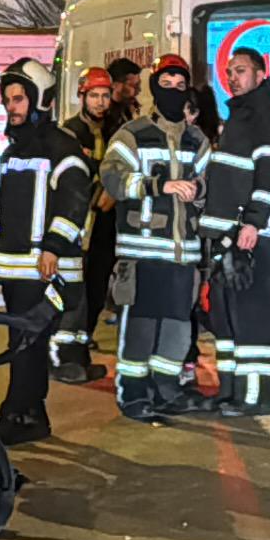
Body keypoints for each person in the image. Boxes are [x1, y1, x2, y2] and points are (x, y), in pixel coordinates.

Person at [0, 61, 88, 445]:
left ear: (40, 100)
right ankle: (23, 413)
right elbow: (7, 211)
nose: (12, 107)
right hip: (17, 270)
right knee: (21, 348)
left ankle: (23, 416)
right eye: (8, 100)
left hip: (43, 269)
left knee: (28, 348)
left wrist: (53, 248)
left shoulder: (62, 149)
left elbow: (74, 204)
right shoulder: (13, 152)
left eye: (19, 99)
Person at [101, 54, 217, 419]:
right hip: (142, 251)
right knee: (139, 326)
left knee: (177, 329)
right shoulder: (131, 134)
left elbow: (211, 185)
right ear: (154, 90)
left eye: (179, 86)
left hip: (183, 253)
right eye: (165, 86)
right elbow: (112, 178)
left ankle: (167, 391)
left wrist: (197, 189)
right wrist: (159, 185)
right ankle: (133, 395)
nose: (172, 92)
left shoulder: (197, 140)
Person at [198, 43, 270, 413]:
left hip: (248, 236)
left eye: (240, 70)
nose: (232, 78)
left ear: (260, 73)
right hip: (226, 235)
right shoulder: (238, 117)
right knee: (225, 318)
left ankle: (254, 398)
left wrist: (253, 223)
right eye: (230, 72)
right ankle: (229, 392)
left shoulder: (267, 116)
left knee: (251, 319)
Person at [49, 66, 123, 382]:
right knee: (72, 293)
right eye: (94, 96)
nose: (100, 102)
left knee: (95, 290)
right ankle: (64, 357)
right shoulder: (69, 133)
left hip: (106, 223)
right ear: (82, 97)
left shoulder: (119, 131)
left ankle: (81, 354)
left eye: (105, 95)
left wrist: (114, 190)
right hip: (77, 224)